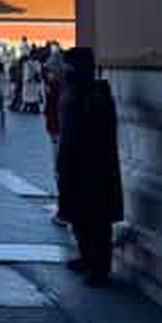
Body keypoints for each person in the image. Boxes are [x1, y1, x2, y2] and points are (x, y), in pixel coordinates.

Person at [57, 46, 123, 286]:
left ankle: (100, 267)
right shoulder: (72, 91)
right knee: (77, 215)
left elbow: (100, 135)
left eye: (70, 67)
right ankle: (86, 257)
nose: (65, 71)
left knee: (96, 218)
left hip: (93, 166)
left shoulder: (96, 95)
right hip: (72, 162)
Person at [43, 42, 66, 225]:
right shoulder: (54, 87)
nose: (48, 74)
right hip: (56, 133)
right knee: (60, 173)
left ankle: (64, 210)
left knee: (62, 173)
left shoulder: (60, 90)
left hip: (61, 135)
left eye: (51, 70)